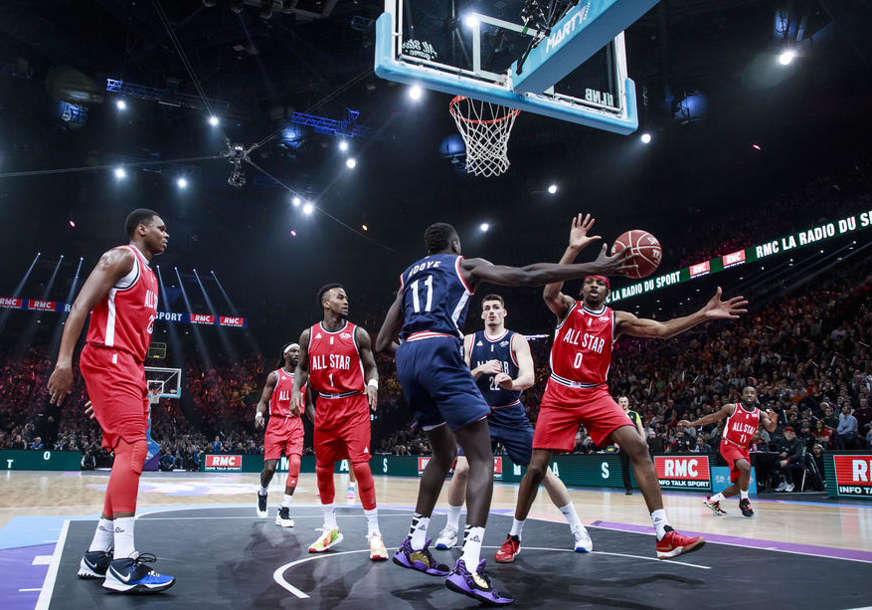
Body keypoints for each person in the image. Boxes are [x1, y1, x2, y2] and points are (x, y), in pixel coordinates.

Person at [375, 218, 633, 605]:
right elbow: (528, 274)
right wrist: (593, 267)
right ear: (455, 244)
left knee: (443, 455)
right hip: (440, 352)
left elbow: (381, 341)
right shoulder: (464, 264)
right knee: (480, 461)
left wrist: (415, 357)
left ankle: (413, 544)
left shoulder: (407, 276)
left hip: (408, 358)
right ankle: (468, 566)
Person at [510, 214, 748, 561]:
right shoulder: (566, 309)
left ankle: (664, 535)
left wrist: (702, 315)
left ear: (608, 291)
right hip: (559, 393)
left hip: (595, 393)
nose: (594, 286)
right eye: (589, 282)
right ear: (581, 289)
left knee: (638, 446)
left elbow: (662, 330)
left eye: (600, 283)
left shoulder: (616, 320)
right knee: (537, 467)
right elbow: (549, 290)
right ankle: (514, 536)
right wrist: (573, 250)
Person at [47, 208, 174, 593]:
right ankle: (123, 563)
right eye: (161, 228)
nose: (167, 234)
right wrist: (64, 362)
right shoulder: (121, 257)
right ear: (141, 229)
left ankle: (97, 554)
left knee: (128, 451)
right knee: (134, 449)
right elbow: (81, 306)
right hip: (111, 357)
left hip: (129, 366)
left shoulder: (151, 275)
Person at [433, 294, 592, 556]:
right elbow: (459, 380)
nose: (491, 311)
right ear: (482, 314)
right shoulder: (470, 341)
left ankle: (578, 529)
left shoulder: (516, 340)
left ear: (504, 312)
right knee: (461, 469)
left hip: (511, 415)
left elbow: (529, 377)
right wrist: (481, 370)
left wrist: (512, 383)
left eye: (496, 307)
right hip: (481, 415)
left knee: (542, 471)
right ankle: (450, 529)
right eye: (487, 308)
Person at [292, 284, 387, 560]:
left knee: (361, 466)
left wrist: (373, 384)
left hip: (354, 406)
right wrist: (296, 392)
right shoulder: (309, 335)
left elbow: (371, 366)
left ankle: (374, 533)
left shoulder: (358, 334)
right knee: (323, 469)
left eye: (346, 297)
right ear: (326, 303)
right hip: (325, 407)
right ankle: (330, 529)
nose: (346, 301)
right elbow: (302, 368)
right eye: (340, 297)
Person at [679, 386, 777, 517]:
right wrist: (692, 424)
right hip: (729, 445)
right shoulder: (731, 408)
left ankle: (713, 500)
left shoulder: (760, 414)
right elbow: (713, 417)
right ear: (742, 396)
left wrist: (774, 421)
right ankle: (744, 501)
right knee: (745, 467)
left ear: (756, 396)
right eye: (746, 392)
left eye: (752, 393)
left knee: (740, 485)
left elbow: (771, 428)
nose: (749, 395)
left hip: (743, 449)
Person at [254, 343, 306, 527]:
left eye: (299, 351)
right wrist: (259, 415)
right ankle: (262, 492)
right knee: (270, 468)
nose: (297, 353)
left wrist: (320, 422)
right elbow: (263, 401)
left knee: (295, 464)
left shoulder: (305, 378)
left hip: (295, 424)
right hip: (276, 423)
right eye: (293, 351)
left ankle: (284, 510)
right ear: (285, 355)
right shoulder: (275, 376)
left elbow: (310, 404)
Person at [617, 396, 645, 495]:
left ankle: (644, 487)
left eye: (625, 401)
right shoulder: (615, 415)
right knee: (624, 467)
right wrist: (616, 442)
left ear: (628, 403)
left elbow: (640, 428)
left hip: (635, 444)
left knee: (639, 466)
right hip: (623, 445)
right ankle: (628, 488)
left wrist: (643, 441)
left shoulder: (634, 414)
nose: (623, 403)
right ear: (618, 403)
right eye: (621, 402)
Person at [774, 426, 804, 491]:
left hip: (796, 461)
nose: (788, 434)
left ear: (793, 434)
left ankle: (790, 483)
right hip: (784, 459)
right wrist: (781, 454)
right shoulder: (782, 441)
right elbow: (779, 451)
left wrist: (787, 459)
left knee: (786, 466)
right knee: (775, 464)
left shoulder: (798, 442)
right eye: (786, 432)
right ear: (784, 434)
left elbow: (797, 455)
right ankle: (782, 483)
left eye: (790, 433)